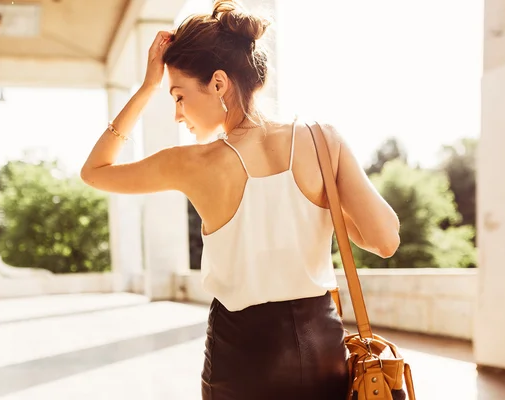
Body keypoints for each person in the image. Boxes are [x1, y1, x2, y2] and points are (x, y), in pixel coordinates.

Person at [81, 1, 400, 399]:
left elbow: (94, 171)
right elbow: (384, 240)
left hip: (242, 355)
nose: (178, 114)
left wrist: (146, 87)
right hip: (321, 348)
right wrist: (319, 201)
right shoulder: (323, 140)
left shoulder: (193, 163)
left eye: (178, 96)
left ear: (218, 83)